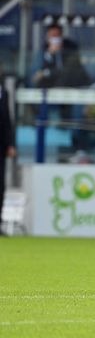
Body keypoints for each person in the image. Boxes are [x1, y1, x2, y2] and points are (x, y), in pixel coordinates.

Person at [32, 23, 89, 88]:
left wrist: (46, 73)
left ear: (61, 36)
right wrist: (50, 54)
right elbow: (37, 71)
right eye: (52, 36)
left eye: (57, 35)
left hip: (70, 85)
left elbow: (64, 70)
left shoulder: (70, 47)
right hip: (50, 85)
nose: (55, 39)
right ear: (48, 37)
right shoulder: (44, 49)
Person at [0, 73, 16, 236]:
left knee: (0, 187)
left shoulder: (3, 92)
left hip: (1, 147)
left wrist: (10, 143)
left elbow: (7, 120)